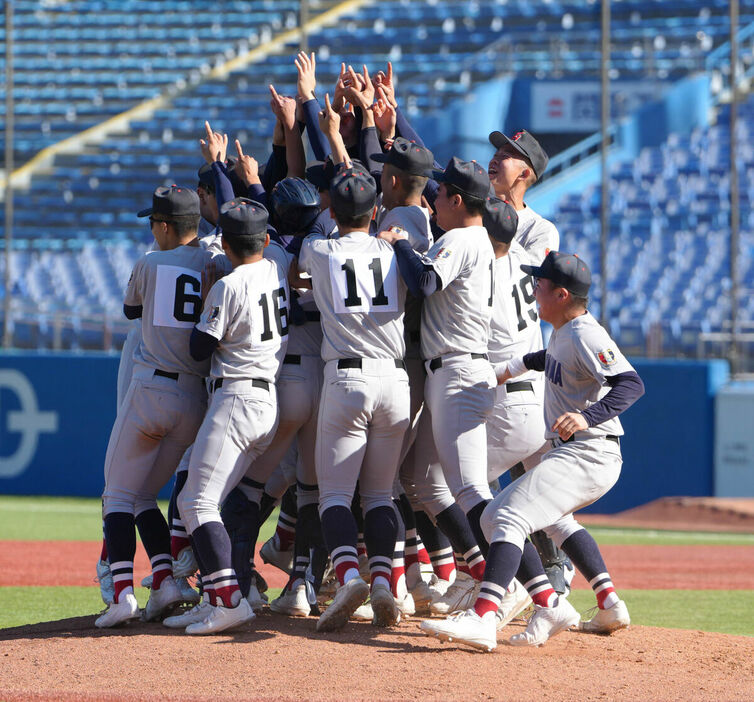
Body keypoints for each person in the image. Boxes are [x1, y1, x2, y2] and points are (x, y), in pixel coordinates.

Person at [420, 251, 644, 652]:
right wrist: (510, 367)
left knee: (506, 516)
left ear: (561, 294)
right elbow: (550, 359)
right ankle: (604, 603)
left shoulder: (585, 333)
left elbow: (630, 383)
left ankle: (484, 616)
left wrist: (588, 417)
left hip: (589, 452)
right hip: (577, 454)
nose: (533, 288)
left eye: (540, 284)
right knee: (503, 517)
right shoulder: (563, 329)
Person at [379, 157, 497, 614]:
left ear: (457, 200)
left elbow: (425, 281)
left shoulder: (463, 238)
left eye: (442, 192)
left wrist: (402, 244)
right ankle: (479, 570)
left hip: (457, 372)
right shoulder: (475, 238)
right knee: (422, 482)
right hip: (452, 369)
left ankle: (512, 582)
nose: (434, 199)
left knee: (469, 491)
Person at [298, 164, 410, 632]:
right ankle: (383, 579)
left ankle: (347, 575)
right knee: (381, 495)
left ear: (331, 208)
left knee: (336, 496)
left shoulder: (318, 249)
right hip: (396, 380)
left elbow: (295, 272)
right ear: (376, 210)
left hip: (346, 378)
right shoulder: (396, 250)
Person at [95, 185, 213, 628]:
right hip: (195, 399)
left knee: (117, 496)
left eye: (153, 222)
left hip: (151, 389)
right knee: (145, 496)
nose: (150, 229)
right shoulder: (212, 262)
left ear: (165, 227)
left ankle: (121, 592)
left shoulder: (149, 262)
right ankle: (165, 579)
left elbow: (130, 310)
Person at [175, 198, 290, 635]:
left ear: (223, 242)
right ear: (263, 240)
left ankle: (228, 601)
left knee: (195, 502)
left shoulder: (228, 284)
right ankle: (216, 596)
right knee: (212, 504)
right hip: (268, 401)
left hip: (236, 398)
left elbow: (199, 349)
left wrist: (209, 296)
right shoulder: (273, 270)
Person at [487, 129, 558, 263]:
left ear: (524, 174)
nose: (494, 160)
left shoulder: (539, 229)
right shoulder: (472, 208)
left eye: (504, 156)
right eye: (495, 155)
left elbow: (528, 280)